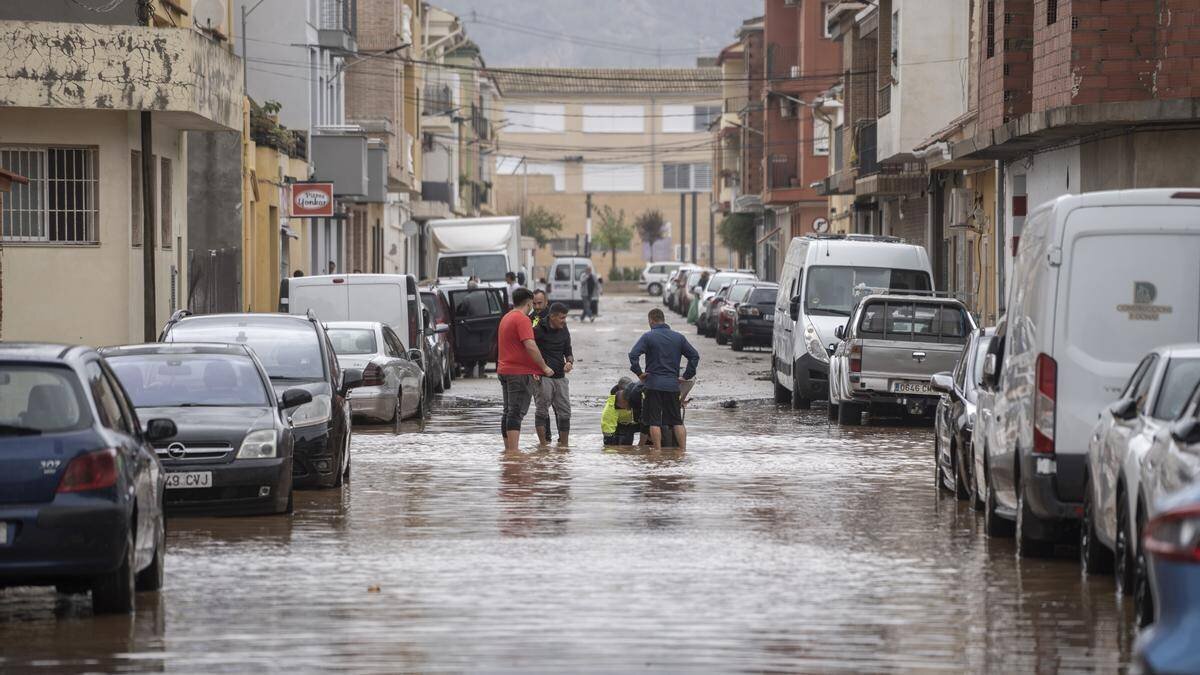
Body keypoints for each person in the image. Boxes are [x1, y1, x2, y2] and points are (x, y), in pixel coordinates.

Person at [629, 308, 699, 451]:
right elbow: (694, 356)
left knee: (654, 421)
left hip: (653, 385)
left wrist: (639, 373)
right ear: (663, 319)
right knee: (676, 421)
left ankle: (658, 452)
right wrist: (686, 376)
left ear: (651, 320)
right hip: (673, 386)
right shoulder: (679, 337)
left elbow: (633, 355)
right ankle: (683, 452)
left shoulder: (648, 337)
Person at [497, 288, 555, 451]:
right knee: (516, 412)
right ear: (529, 302)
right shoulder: (522, 319)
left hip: (504, 371)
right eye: (532, 303)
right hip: (518, 373)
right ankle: (513, 453)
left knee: (508, 411)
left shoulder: (506, 317)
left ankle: (508, 451)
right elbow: (530, 344)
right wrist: (543, 366)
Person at [533, 302, 573, 446]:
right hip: (543, 377)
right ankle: (543, 446)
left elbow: (568, 350)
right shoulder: (538, 329)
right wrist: (534, 370)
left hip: (560, 377)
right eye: (562, 318)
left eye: (565, 318)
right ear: (552, 317)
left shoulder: (564, 328)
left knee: (565, 412)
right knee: (542, 410)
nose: (564, 321)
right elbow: (528, 350)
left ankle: (564, 446)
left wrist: (569, 362)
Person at [602, 377, 641, 445]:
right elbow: (608, 432)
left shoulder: (638, 396)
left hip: (634, 423)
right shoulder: (611, 407)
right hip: (620, 426)